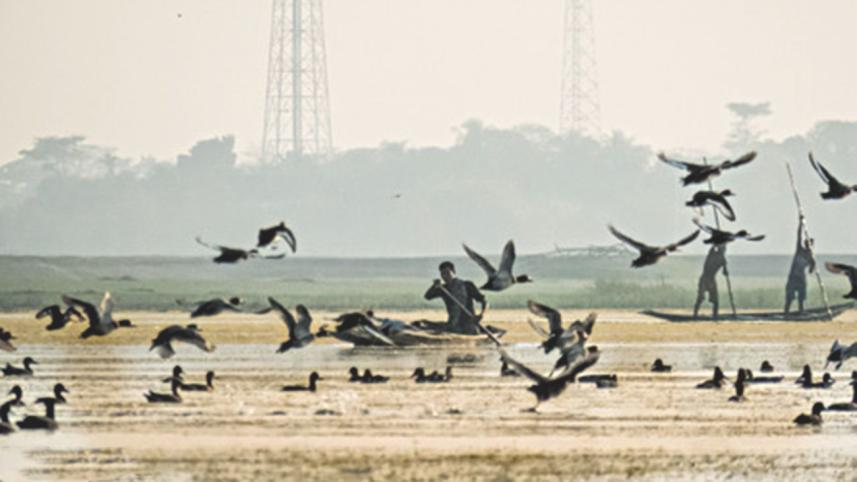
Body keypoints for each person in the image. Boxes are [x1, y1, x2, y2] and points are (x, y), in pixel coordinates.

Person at [423, 261, 487, 334]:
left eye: (447, 273)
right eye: (442, 274)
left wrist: (481, 314)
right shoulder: (443, 289)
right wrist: (434, 286)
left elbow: (484, 301)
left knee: (471, 330)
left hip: (468, 324)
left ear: (454, 272)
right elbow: (427, 296)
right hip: (453, 324)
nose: (445, 276)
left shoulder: (467, 285)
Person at [785, 215, 815, 314]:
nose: (808, 246)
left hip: (801, 279)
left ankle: (801, 313)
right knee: (789, 298)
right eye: (807, 244)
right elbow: (799, 235)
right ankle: (786, 314)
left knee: (801, 299)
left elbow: (811, 269)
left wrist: (812, 266)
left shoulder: (810, 256)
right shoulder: (799, 250)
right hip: (793, 278)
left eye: (810, 244)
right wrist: (801, 223)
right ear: (805, 244)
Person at [693, 244, 727, 319]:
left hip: (712, 280)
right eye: (723, 249)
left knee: (715, 301)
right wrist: (716, 242)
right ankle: (695, 315)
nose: (724, 250)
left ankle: (715, 316)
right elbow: (712, 248)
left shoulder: (722, 259)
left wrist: (725, 267)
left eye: (724, 249)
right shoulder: (712, 254)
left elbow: (725, 272)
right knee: (700, 298)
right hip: (705, 278)